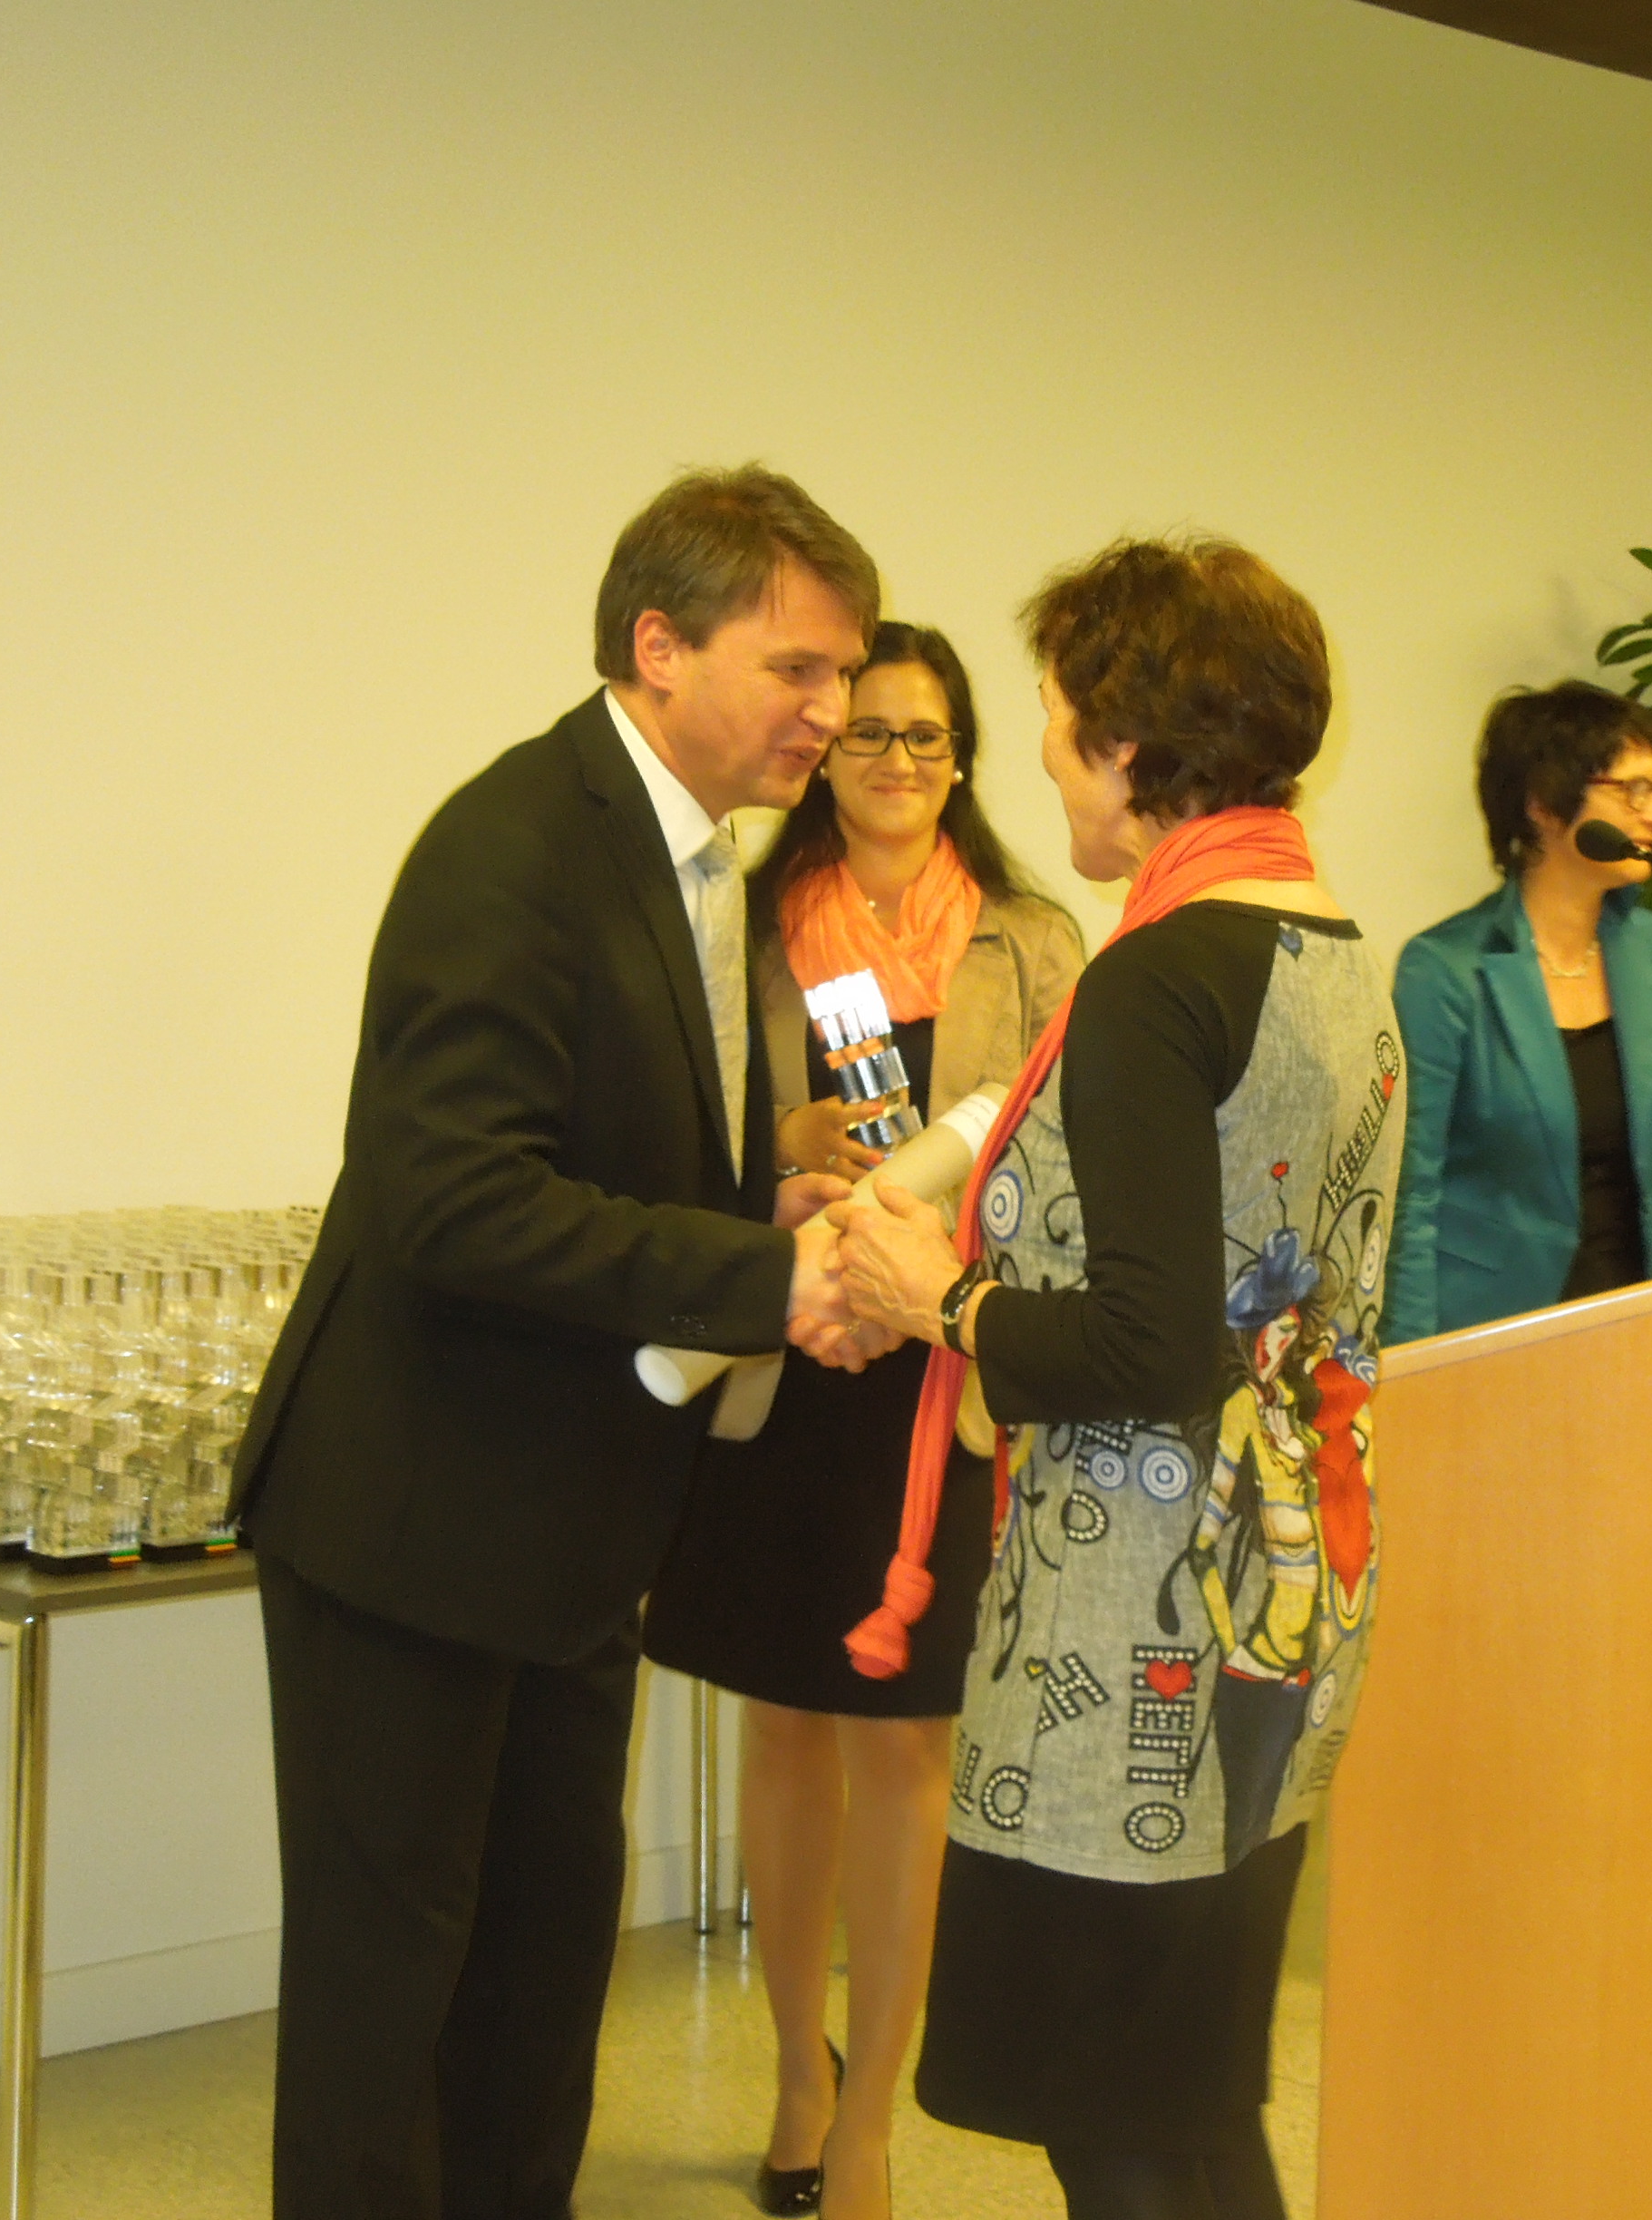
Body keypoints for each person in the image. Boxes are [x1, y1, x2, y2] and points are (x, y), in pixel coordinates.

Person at [228, 466, 890, 2220]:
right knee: (389, 2008)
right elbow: (450, 1198)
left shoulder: (700, 858)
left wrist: (765, 1207)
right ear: (657, 646)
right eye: (799, 667)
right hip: (415, 1523)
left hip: (572, 1535)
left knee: (531, 1993)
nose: (831, 711)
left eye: (843, 672)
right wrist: (754, 1277)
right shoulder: (511, 844)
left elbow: (604, 1155)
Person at [834, 538, 1403, 2220]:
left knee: (1123, 2118)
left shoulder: (1158, 978)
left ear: (1129, 745)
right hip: (1280, 1593)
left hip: (1134, 1618)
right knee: (1185, 2092)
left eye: (1056, 716)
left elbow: (1147, 1347)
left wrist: (944, 1299)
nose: (1044, 754)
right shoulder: (1331, 946)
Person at [641, 621, 1083, 2220]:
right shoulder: (747, 924)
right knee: (783, 1727)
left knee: (905, 1745)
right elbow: (679, 1144)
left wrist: (935, 1246)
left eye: (925, 735)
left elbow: (1071, 1163)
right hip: (786, 1363)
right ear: (823, 753)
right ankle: (794, 2073)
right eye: (867, 732)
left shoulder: (1032, 941)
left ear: (961, 759)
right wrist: (783, 1150)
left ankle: (872, 2117)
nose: (895, 760)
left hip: (939, 1377)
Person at [1385, 680, 1652, 1345]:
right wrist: (1409, 1366)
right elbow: (1412, 1193)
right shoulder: (1444, 970)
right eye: (1633, 790)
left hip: (1632, 1326)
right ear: (1544, 806)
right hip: (1488, 1333)